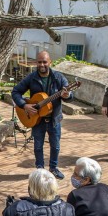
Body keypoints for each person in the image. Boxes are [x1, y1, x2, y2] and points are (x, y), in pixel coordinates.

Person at [11, 51, 73, 180]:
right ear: (36, 63)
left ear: (50, 62)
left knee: (55, 145)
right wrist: (24, 105)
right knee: (38, 146)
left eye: (45, 61)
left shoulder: (59, 78)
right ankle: (39, 169)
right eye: (39, 62)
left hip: (54, 119)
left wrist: (68, 95)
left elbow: (70, 96)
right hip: (37, 119)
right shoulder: (31, 77)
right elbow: (16, 91)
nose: (42, 64)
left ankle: (53, 168)